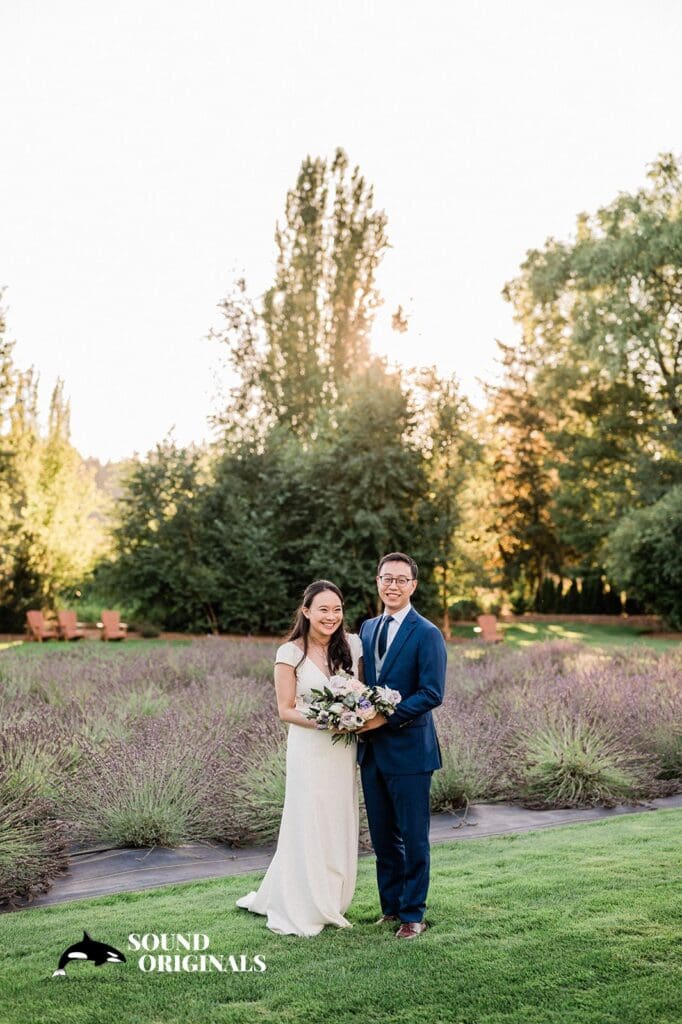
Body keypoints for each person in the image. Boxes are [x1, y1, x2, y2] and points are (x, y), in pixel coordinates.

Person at [236, 579, 363, 937]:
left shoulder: (352, 647)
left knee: (338, 819)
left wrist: (356, 716)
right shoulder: (289, 653)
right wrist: (329, 720)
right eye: (323, 609)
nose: (331, 616)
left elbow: (362, 694)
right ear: (306, 611)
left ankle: (333, 898)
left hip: (342, 752)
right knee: (308, 819)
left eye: (337, 609)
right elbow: (285, 710)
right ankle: (303, 902)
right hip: (309, 749)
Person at [356, 552, 447, 939]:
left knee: (412, 835)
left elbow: (432, 692)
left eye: (400, 580)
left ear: (413, 585)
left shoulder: (427, 632)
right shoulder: (366, 628)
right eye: (385, 578)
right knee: (382, 837)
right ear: (377, 581)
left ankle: (414, 914)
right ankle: (391, 908)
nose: (392, 585)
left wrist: (386, 717)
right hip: (372, 752)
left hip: (410, 751)